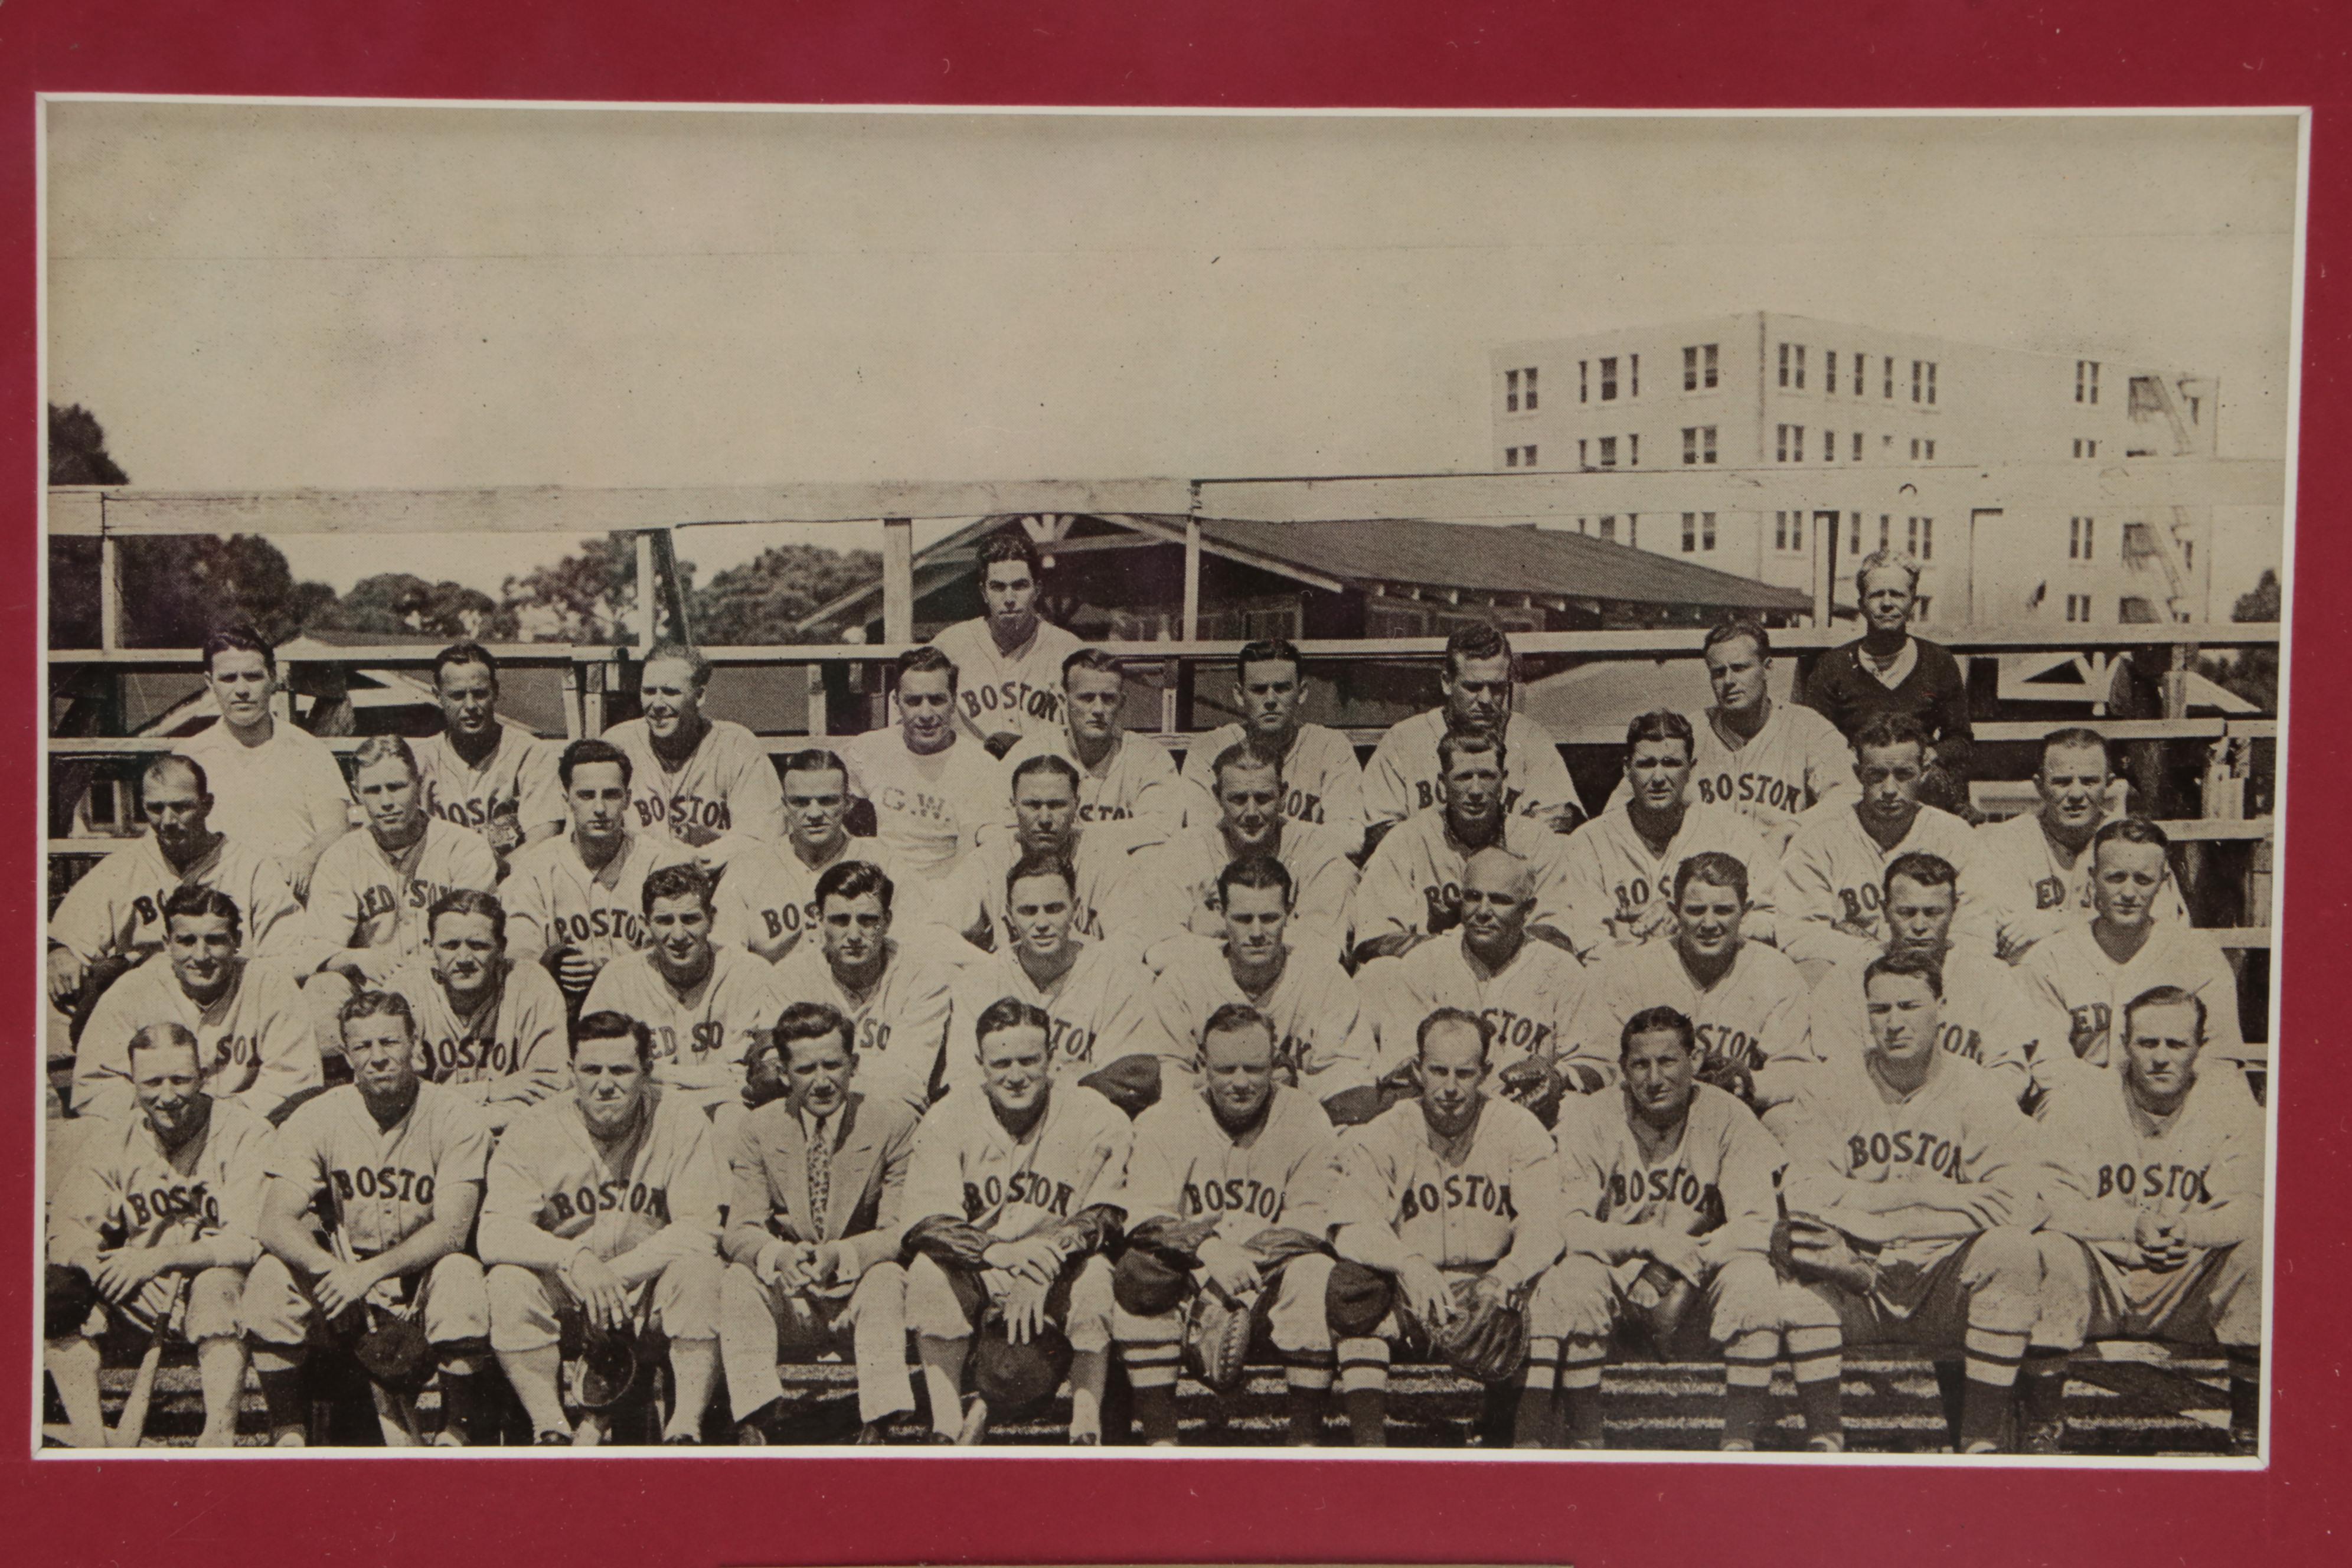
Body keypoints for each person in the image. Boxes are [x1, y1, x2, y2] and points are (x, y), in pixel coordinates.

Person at [1771, 950, 2046, 1454]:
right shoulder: (1832, 1083)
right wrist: (1927, 1200)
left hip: (1945, 1282)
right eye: (1880, 1010)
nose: (1894, 1023)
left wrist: (1873, 1211)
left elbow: (2017, 1203)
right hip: (1855, 1277)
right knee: (1799, 1257)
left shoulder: (1979, 1089)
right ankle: (1824, 1439)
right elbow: (1804, 1192)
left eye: (1909, 1006)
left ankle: (1980, 1441)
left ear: (1941, 1006)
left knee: (2012, 1252)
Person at [2019, 985, 2265, 1456]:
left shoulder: (2229, 1103)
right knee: (2050, 1250)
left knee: (2256, 1256)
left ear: (2199, 1049)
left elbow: (2253, 1206)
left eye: (2176, 1044)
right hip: (2102, 1283)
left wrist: (2192, 1231)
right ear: (2124, 1047)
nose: (2160, 1058)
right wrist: (2129, 1225)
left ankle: (2250, 1430)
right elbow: (2047, 1201)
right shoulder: (2083, 1099)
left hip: (2186, 1286)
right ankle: (2042, 1425)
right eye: (2147, 1043)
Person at [245, 990, 498, 1446]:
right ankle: (287, 1431)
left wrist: (368, 1274)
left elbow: (453, 1230)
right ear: (346, 1055)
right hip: (344, 1282)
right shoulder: (317, 1116)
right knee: (268, 1277)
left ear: (415, 1045)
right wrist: (334, 1271)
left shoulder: (457, 1116)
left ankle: (455, 1434)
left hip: (421, 1276)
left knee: (461, 1276)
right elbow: (274, 1221)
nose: (378, 1058)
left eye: (390, 1043)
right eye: (363, 1047)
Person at [1547, 1006, 1802, 1451]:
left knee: (1754, 1279)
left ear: (1696, 1060)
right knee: (1573, 1279)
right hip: (1619, 1278)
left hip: (1697, 1281)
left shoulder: (1727, 1115)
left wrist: (1679, 1261)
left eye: (1667, 1062)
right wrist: (1647, 1241)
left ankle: (1738, 1442)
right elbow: (1570, 1227)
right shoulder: (1593, 1116)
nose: (1654, 1078)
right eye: (1640, 1065)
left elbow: (1757, 1222)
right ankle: (1587, 1440)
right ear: (1624, 1068)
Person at [1324, 1008, 1569, 1448]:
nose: (1451, 1088)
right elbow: (1351, 1226)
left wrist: (1507, 1276)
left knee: (1551, 1289)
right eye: (1438, 1071)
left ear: (1487, 1073)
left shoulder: (1518, 1128)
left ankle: (1527, 1445)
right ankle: (1370, 1448)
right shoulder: (1387, 1130)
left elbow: (1546, 1225)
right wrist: (1407, 1264)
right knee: (1358, 1290)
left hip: (1491, 1284)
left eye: (1465, 1073)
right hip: (1415, 1289)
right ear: (1417, 1070)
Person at [479, 1008, 723, 1446]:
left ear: (647, 1071)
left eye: (621, 1070)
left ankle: (684, 1429)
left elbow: (700, 1228)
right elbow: (495, 1231)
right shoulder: (533, 1127)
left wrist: (612, 1276)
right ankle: (550, 1429)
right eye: (591, 1069)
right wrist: (576, 1261)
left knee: (701, 1272)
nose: (605, 1084)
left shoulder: (681, 1119)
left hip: (648, 1292)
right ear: (570, 1071)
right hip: (570, 1294)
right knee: (507, 1282)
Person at [1110, 1004, 1350, 1446]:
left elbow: (1314, 1217)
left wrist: (1241, 1265)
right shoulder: (1165, 1120)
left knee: (1316, 1273)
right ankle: (1162, 1440)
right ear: (1202, 1065)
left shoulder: (1305, 1117)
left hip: (1271, 1281)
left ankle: (1304, 1439)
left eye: (1254, 1068)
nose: (1240, 1082)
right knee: (1137, 1274)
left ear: (1277, 1064)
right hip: (1191, 1279)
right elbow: (1144, 1212)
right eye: (1226, 1068)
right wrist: (1209, 1250)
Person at [901, 998, 1131, 1445]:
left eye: (1030, 1060)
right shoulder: (948, 1115)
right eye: (1001, 1063)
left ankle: (1086, 1427)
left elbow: (1108, 1214)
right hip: (981, 1270)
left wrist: (1046, 1260)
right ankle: (945, 1429)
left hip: (1061, 1272)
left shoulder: (1094, 1113)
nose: (1016, 1074)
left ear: (1053, 1061)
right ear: (979, 1065)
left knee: (1098, 1278)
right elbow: (925, 1223)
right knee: (929, 1274)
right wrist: (998, 1253)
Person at [45, 1023, 273, 1448]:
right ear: (132, 1083)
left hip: (224, 1290)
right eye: (151, 1082)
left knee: (216, 1287)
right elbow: (66, 1229)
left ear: (203, 1076)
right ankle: (93, 1443)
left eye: (180, 1080)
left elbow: (247, 1241)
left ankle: (218, 1437)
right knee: (59, 1290)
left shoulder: (245, 1132)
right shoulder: (114, 1138)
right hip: (141, 1292)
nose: (167, 1096)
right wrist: (91, 1260)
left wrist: (160, 1258)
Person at [720, 1001, 922, 1445]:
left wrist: (843, 1255)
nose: (823, 1081)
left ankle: (880, 1425)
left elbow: (901, 1230)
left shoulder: (892, 1124)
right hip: (796, 1296)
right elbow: (740, 1230)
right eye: (806, 1069)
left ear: (855, 1064)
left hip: (860, 1292)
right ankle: (755, 1422)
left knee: (888, 1278)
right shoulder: (759, 1128)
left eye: (834, 1065)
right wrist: (780, 1255)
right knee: (740, 1278)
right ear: (785, 1073)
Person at [48, 753, 300, 1030]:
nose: (167, 820)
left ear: (207, 805)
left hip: (229, 1003)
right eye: (156, 808)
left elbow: (287, 955)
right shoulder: (123, 867)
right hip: (143, 1007)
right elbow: (69, 939)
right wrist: (62, 953)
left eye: (181, 807)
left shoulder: (251, 868)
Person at [1565, 852, 1816, 1126]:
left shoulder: (1776, 972)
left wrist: (1747, 1081)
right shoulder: (1633, 969)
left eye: (1724, 911)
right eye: (1696, 911)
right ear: (1675, 911)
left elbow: (1797, 1070)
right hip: (1646, 1116)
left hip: (1737, 1120)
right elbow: (1605, 1059)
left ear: (1745, 912)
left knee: (1789, 1120)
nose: (1709, 924)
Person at [1132, 857, 1378, 1118]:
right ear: (1223, 916)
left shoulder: (1325, 979)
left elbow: (1353, 1078)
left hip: (1295, 1123)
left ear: (1289, 914)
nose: (1257, 932)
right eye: (1243, 919)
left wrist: (1294, 1083)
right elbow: (1163, 1077)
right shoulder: (1183, 981)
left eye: (1270, 918)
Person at [1360, 845, 1604, 1104]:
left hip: (1529, 1117)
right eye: (1474, 897)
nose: (1484, 911)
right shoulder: (1424, 963)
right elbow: (1403, 1068)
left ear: (1528, 909)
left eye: (1500, 900)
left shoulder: (1561, 970)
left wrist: (1557, 1078)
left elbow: (1596, 1063)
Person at [2017, 818, 2245, 1092]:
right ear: (2093, 878)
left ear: (2163, 882)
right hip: (2081, 1102)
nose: (2129, 893)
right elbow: (2051, 1066)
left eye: (2143, 880)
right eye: (2116, 878)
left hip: (2173, 1104)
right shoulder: (2050, 959)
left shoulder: (2198, 954)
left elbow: (2219, 1059)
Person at [1808, 854, 2043, 1108]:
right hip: (1877, 1119)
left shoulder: (1989, 974)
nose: (1919, 926)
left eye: (1933, 913)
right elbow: (1838, 1074)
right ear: (1885, 910)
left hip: (1963, 1118)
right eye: (1906, 913)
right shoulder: (1848, 977)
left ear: (1954, 909)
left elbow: (2009, 1071)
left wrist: (1951, 1114)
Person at [74, 886, 321, 1125]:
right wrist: (165, 1118)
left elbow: (294, 1083)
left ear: (237, 941)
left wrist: (212, 1118)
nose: (201, 956)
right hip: (154, 1131)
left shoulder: (270, 985)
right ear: (167, 944)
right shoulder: (133, 990)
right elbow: (95, 1085)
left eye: (215, 940)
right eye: (186, 941)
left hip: (248, 1130)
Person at [1608, 619, 1853, 850]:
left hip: (1781, 865)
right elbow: (1619, 809)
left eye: (1740, 668)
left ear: (1767, 668)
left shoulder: (1807, 727)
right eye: (1718, 672)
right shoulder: (1688, 731)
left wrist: (1793, 827)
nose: (1729, 681)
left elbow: (1850, 794)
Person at [1554, 711, 1779, 961]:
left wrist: (1688, 924)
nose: (1659, 778)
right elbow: (1589, 943)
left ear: (1692, 769)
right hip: (1623, 980)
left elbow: (1771, 918)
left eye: (1671, 764)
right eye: (1646, 764)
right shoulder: (1589, 843)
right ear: (1627, 768)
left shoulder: (1731, 832)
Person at [1780, 713, 1985, 977]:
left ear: (1923, 773)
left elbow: (1977, 929)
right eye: (1877, 775)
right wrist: (1881, 953)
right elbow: (1799, 936)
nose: (1890, 789)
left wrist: (1899, 956)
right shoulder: (1819, 840)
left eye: (1903, 775)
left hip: (1936, 975)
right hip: (1854, 975)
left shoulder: (1955, 836)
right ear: (1858, 774)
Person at [582, 863, 783, 1130]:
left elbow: (766, 1073)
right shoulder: (618, 977)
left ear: (711, 918)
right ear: (645, 924)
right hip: (646, 1113)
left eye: (690, 919)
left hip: (728, 1110)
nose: (678, 935)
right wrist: (723, 1075)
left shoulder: (751, 972)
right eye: (665, 921)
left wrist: (655, 1073)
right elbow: (596, 1066)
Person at [1352, 729, 1574, 964]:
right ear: (1443, 783)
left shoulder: (1536, 840)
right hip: (1430, 974)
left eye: (1487, 776)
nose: (1476, 790)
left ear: (1504, 780)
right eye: (1464, 777)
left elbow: (1556, 935)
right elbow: (1375, 941)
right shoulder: (1407, 839)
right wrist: (1463, 950)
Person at [293, 735, 499, 984]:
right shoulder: (341, 857)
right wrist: (358, 958)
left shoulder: (463, 848)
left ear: (419, 785)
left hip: (447, 987)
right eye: (373, 791)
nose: (386, 802)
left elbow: (478, 940)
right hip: (374, 1001)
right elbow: (316, 949)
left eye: (396, 787)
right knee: (323, 987)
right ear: (356, 793)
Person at [944, 853, 1152, 1095]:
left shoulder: (1113, 973)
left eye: (1054, 909)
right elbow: (964, 1080)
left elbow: (1125, 1078)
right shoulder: (979, 980)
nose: (1042, 923)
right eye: (1028, 911)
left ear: (1075, 909)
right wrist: (1076, 1076)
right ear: (1009, 916)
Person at [1974, 727, 2188, 961]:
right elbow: (2011, 945)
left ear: (2108, 784)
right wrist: (2103, 927)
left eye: (2089, 781)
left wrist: (2055, 922)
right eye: (2062, 782)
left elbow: (2163, 933)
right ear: (2040, 786)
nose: (2076, 794)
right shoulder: (2006, 841)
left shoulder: (2136, 842)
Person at [1135, 743, 1358, 963]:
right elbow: (1159, 952)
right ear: (1218, 796)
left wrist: (1221, 929)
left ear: (1282, 796)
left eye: (1263, 799)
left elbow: (1324, 951)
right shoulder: (1187, 849)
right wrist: (1280, 934)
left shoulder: (1315, 846)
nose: (1251, 812)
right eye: (1238, 799)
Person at [1361, 621, 1582, 842]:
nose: (1486, 700)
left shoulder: (1529, 738)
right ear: (1447, 683)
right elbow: (1381, 831)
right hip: (1428, 872)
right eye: (1473, 688)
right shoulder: (1405, 739)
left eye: (1497, 688)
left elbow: (1560, 822)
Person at [503, 739, 681, 1010]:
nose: (599, 809)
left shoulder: (658, 861)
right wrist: (552, 963)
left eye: (611, 795)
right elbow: (519, 954)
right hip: (564, 1010)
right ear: (567, 800)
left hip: (645, 1005)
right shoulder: (536, 868)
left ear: (628, 799)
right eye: (586, 796)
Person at [768, 861, 957, 1113]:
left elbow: (909, 1080)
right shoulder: (790, 976)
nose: (854, 935)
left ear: (887, 921)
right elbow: (773, 1074)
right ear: (818, 919)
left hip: (887, 1118)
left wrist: (814, 1073)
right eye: (840, 921)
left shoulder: (922, 977)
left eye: (868, 921)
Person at [179, 625, 353, 897]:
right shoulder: (190, 756)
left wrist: (307, 858)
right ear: (209, 682)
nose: (242, 690)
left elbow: (336, 828)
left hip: (292, 894)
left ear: (273, 678)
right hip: (216, 900)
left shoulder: (308, 750)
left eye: (253, 676)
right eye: (227, 678)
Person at [1798, 551, 1974, 814]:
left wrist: (1930, 754)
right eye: (1877, 595)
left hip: (1917, 786)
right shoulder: (1834, 666)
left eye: (1898, 595)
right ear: (1862, 604)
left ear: (1913, 602)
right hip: (1855, 787)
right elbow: (1812, 742)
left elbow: (1961, 740)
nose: (1887, 604)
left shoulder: (1938, 661)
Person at [383, 890, 569, 1131]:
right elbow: (392, 1099)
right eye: (450, 946)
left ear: (501, 948)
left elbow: (552, 1089)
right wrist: (493, 1090)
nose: (464, 958)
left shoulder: (530, 984)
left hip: (511, 1138)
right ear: (430, 948)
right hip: (428, 1142)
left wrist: (446, 1110)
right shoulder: (406, 991)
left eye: (478, 945)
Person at [936, 753, 1154, 954]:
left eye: (1057, 805)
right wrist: (992, 968)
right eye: (1032, 805)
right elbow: (935, 930)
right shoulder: (990, 859)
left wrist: (1074, 970)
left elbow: (1132, 938)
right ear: (1014, 806)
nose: (1045, 819)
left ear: (1076, 805)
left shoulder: (1104, 858)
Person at [841, 645, 1010, 882]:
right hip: (877, 886)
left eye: (937, 700)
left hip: (948, 888)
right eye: (913, 701)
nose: (926, 713)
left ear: (953, 702)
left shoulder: (980, 765)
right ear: (896, 702)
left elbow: (979, 853)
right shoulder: (866, 749)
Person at [1178, 638, 1367, 848]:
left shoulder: (1329, 747)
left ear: (1301, 692)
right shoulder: (1210, 749)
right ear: (1239, 695)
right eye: (1259, 690)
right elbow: (1201, 837)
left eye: (1282, 688)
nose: (1270, 700)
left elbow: (1351, 838)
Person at [602, 643, 786, 850]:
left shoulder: (736, 744)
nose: (658, 704)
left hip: (717, 872)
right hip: (642, 872)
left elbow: (760, 834)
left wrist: (698, 860)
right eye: (649, 691)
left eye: (670, 692)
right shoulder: (619, 744)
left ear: (699, 696)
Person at [927, 524, 1089, 756]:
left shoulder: (1068, 650)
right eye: (998, 587)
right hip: (970, 779)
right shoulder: (949, 647)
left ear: (1037, 589)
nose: (1009, 598)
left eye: (1020, 586)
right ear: (984, 592)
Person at [704, 747, 878, 962]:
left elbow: (913, 943)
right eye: (800, 803)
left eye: (827, 801)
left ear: (848, 804)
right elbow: (725, 955)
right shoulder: (748, 869)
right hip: (775, 993)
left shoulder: (880, 862)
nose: (814, 814)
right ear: (785, 806)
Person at [411, 642, 564, 866]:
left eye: (480, 694)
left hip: (512, 882)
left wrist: (485, 878)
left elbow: (543, 838)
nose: (471, 705)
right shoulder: (419, 760)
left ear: (496, 692)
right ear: (438, 696)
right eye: (457, 696)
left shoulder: (531, 754)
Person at [1001, 649, 1184, 829]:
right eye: (1087, 698)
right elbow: (996, 824)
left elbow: (1163, 828)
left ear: (1122, 702)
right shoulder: (1029, 753)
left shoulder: (1149, 758)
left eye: (1108, 699)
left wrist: (1072, 839)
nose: (1098, 709)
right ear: (1063, 701)